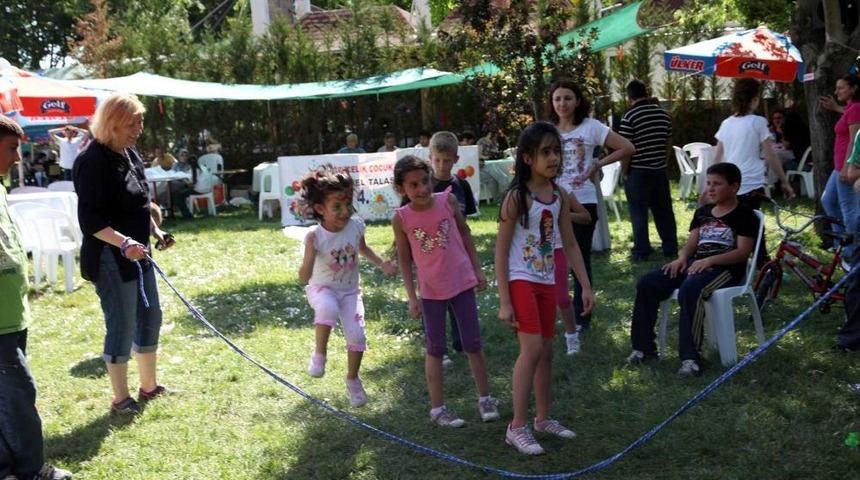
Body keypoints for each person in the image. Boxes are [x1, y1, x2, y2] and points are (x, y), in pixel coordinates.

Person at [495, 122, 595, 455]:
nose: (554, 158)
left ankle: (542, 418)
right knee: (533, 349)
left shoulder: (559, 196)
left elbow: (569, 243)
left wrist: (584, 285)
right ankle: (517, 426)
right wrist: (504, 301)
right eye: (546, 152)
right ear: (527, 158)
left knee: (547, 352)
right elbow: (500, 251)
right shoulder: (516, 198)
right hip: (521, 279)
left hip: (547, 280)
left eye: (557, 151)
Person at [73, 94, 176, 417]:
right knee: (122, 323)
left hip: (138, 252)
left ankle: (149, 386)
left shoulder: (129, 154)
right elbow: (92, 221)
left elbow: (138, 203)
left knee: (150, 315)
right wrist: (123, 243)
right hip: (109, 255)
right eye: (131, 123)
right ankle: (121, 398)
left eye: (140, 122)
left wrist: (156, 233)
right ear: (112, 124)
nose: (138, 129)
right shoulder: (91, 161)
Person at [392, 155, 499, 428]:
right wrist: (412, 297)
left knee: (473, 343)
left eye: (425, 181)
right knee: (435, 349)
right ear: (401, 189)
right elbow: (405, 259)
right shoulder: (401, 218)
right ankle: (438, 409)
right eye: (413, 185)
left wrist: (478, 270)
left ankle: (485, 398)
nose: (422, 189)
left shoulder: (447, 201)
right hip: (430, 292)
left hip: (462, 282)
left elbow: (465, 235)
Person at [627, 163, 759, 375]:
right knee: (647, 283)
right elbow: (691, 244)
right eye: (708, 183)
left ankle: (691, 359)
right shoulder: (703, 212)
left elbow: (742, 253)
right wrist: (681, 259)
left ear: (734, 187)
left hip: (725, 270)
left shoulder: (744, 215)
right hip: (695, 264)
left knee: (691, 290)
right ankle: (643, 349)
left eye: (717, 184)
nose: (710, 189)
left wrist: (711, 261)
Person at [0, 116, 74, 480]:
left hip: (13, 311)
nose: (18, 157)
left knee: (7, 397)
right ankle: (31, 470)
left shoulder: (0, 186)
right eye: (11, 148)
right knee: (19, 395)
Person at [297, 165, 396, 407]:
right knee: (327, 309)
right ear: (320, 209)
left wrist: (382, 263)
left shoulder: (356, 225)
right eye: (336, 207)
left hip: (350, 292)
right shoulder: (315, 237)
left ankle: (353, 379)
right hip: (322, 289)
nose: (344, 212)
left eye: (348, 204)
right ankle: (320, 354)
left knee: (357, 334)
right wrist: (309, 251)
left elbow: (362, 248)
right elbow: (303, 277)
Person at [549, 79, 634, 330]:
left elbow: (628, 147)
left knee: (579, 258)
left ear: (577, 101)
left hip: (582, 201)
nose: (562, 103)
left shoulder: (591, 127)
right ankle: (558, 308)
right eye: (557, 99)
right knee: (553, 257)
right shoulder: (547, 129)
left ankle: (582, 316)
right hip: (551, 201)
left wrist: (597, 164)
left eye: (567, 98)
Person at [428, 132, 477, 366]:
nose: (442, 165)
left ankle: (461, 343)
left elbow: (465, 221)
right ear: (430, 158)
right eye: (437, 160)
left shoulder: (461, 185)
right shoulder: (423, 186)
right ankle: (439, 348)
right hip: (432, 255)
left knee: (459, 297)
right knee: (436, 302)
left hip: (457, 253)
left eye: (446, 160)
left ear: (455, 159)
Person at [618, 79, 678, 261]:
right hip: (659, 170)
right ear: (646, 92)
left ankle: (642, 250)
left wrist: (624, 171)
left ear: (629, 96)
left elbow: (626, 149)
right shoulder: (663, 115)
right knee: (664, 211)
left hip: (638, 171)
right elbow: (669, 143)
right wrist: (663, 162)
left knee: (638, 212)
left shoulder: (629, 117)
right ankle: (670, 246)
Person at [712, 78, 795, 208]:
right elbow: (771, 155)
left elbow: (717, 158)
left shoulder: (726, 123)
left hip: (730, 184)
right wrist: (785, 181)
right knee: (751, 225)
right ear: (755, 98)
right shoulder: (758, 122)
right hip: (752, 184)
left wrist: (712, 184)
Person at [820, 74, 860, 259]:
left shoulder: (856, 108)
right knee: (828, 200)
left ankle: (851, 251)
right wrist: (837, 108)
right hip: (839, 167)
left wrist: (847, 166)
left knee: (849, 208)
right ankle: (842, 242)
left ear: (854, 88)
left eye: (841, 88)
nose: (837, 92)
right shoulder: (851, 108)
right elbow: (849, 114)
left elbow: (854, 140)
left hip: (846, 167)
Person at [170, 154, 214, 219]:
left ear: (188, 164)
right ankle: (186, 213)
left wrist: (184, 181)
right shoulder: (203, 167)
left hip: (199, 190)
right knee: (181, 193)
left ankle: (187, 215)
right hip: (208, 189)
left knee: (178, 195)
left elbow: (191, 184)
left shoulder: (192, 170)